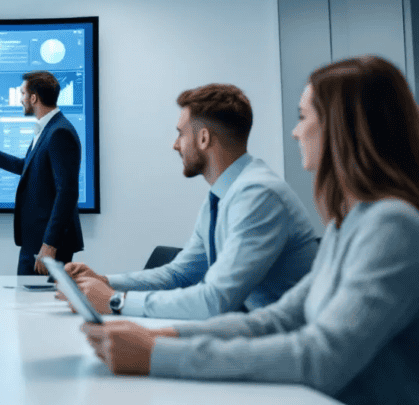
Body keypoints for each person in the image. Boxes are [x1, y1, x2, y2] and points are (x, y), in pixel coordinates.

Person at [82, 56, 419, 405]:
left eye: (303, 117)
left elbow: (321, 357)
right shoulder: (346, 223)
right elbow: (279, 319)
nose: (295, 131)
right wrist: (167, 337)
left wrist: (157, 352)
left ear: (341, 127)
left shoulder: (392, 225)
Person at [67, 84, 318, 319]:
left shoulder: (258, 195)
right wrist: (104, 282)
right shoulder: (223, 195)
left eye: (180, 134)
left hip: (282, 348)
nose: (175, 145)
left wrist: (115, 301)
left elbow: (215, 300)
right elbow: (180, 274)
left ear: (204, 139)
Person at [0, 71, 83, 275]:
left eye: (23, 93)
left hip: (48, 245)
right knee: (27, 301)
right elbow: (28, 167)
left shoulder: (59, 133)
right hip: (35, 241)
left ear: (33, 98)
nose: (21, 99)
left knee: (39, 304)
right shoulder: (48, 129)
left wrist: (50, 245)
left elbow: (67, 193)